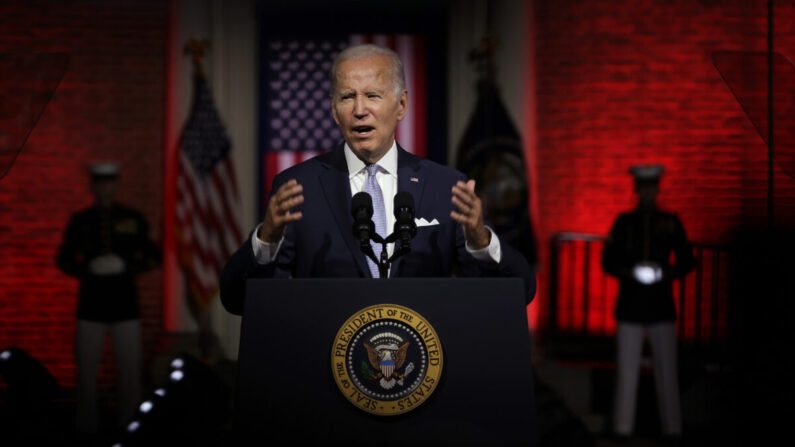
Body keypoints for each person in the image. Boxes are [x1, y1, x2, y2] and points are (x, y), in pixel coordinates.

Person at [220, 44, 535, 315]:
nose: (359, 110)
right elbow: (236, 300)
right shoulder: (299, 188)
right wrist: (266, 241)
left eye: (372, 95)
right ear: (333, 110)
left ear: (401, 105)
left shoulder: (445, 188)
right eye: (347, 97)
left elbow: (521, 291)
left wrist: (482, 243)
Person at [56, 162, 161, 435]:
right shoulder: (81, 221)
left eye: (109, 182)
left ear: (115, 185)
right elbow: (64, 260)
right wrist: (87, 268)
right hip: (90, 307)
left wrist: (127, 266)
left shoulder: (132, 219)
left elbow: (153, 256)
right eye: (100, 183)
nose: (104, 188)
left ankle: (130, 427)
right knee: (86, 374)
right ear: (94, 186)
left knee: (129, 373)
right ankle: (85, 428)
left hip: (125, 306)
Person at [601, 164, 696, 440]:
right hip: (631, 304)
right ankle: (622, 429)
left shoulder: (670, 222)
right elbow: (608, 261)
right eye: (643, 187)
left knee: (667, 372)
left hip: (660, 304)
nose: (646, 193)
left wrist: (664, 272)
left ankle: (672, 428)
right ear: (637, 190)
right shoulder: (623, 222)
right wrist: (630, 272)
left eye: (650, 187)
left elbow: (687, 260)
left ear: (656, 189)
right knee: (626, 374)